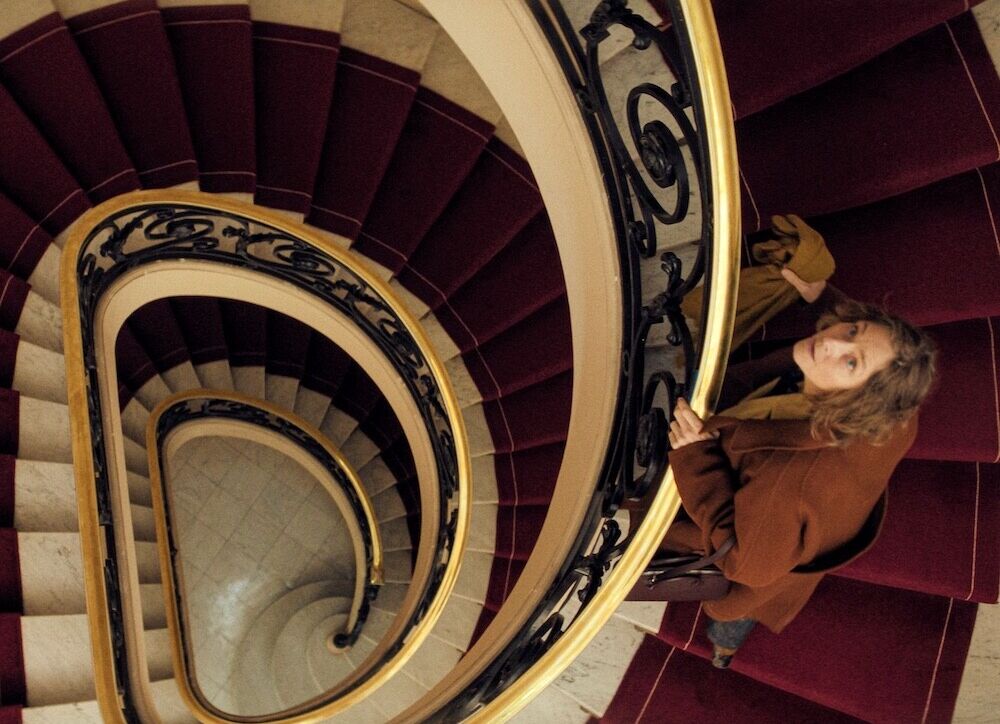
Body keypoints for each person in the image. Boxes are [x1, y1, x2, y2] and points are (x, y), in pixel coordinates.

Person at [661, 253, 937, 669]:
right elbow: (872, 348)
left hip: (774, 542)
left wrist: (695, 455)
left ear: (861, 400)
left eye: (850, 362)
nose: (831, 342)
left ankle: (725, 646)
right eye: (852, 329)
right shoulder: (895, 409)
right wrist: (822, 296)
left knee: (745, 605)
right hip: (821, 519)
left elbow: (746, 565)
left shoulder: (787, 475)